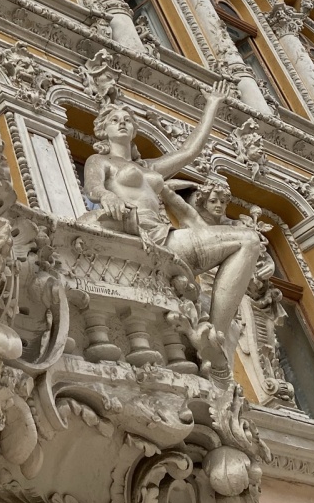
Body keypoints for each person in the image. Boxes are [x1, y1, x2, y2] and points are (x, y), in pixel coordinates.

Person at [80, 81, 260, 338]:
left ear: (133, 131)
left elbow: (190, 151)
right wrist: (108, 196)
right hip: (131, 228)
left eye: (128, 120)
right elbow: (93, 188)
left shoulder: (150, 169)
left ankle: (214, 336)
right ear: (103, 130)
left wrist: (212, 104)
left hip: (165, 237)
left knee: (249, 240)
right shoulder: (100, 160)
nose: (122, 123)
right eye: (115, 120)